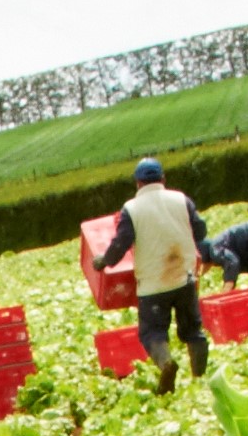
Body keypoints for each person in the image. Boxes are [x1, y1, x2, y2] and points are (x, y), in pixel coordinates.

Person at [89, 157, 211, 394]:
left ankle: (166, 363)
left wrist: (104, 261)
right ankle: (200, 379)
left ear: (138, 183)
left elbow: (121, 243)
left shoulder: (132, 209)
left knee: (152, 332)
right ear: (163, 179)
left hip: (153, 284)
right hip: (184, 276)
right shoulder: (181, 199)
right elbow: (201, 230)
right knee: (192, 330)